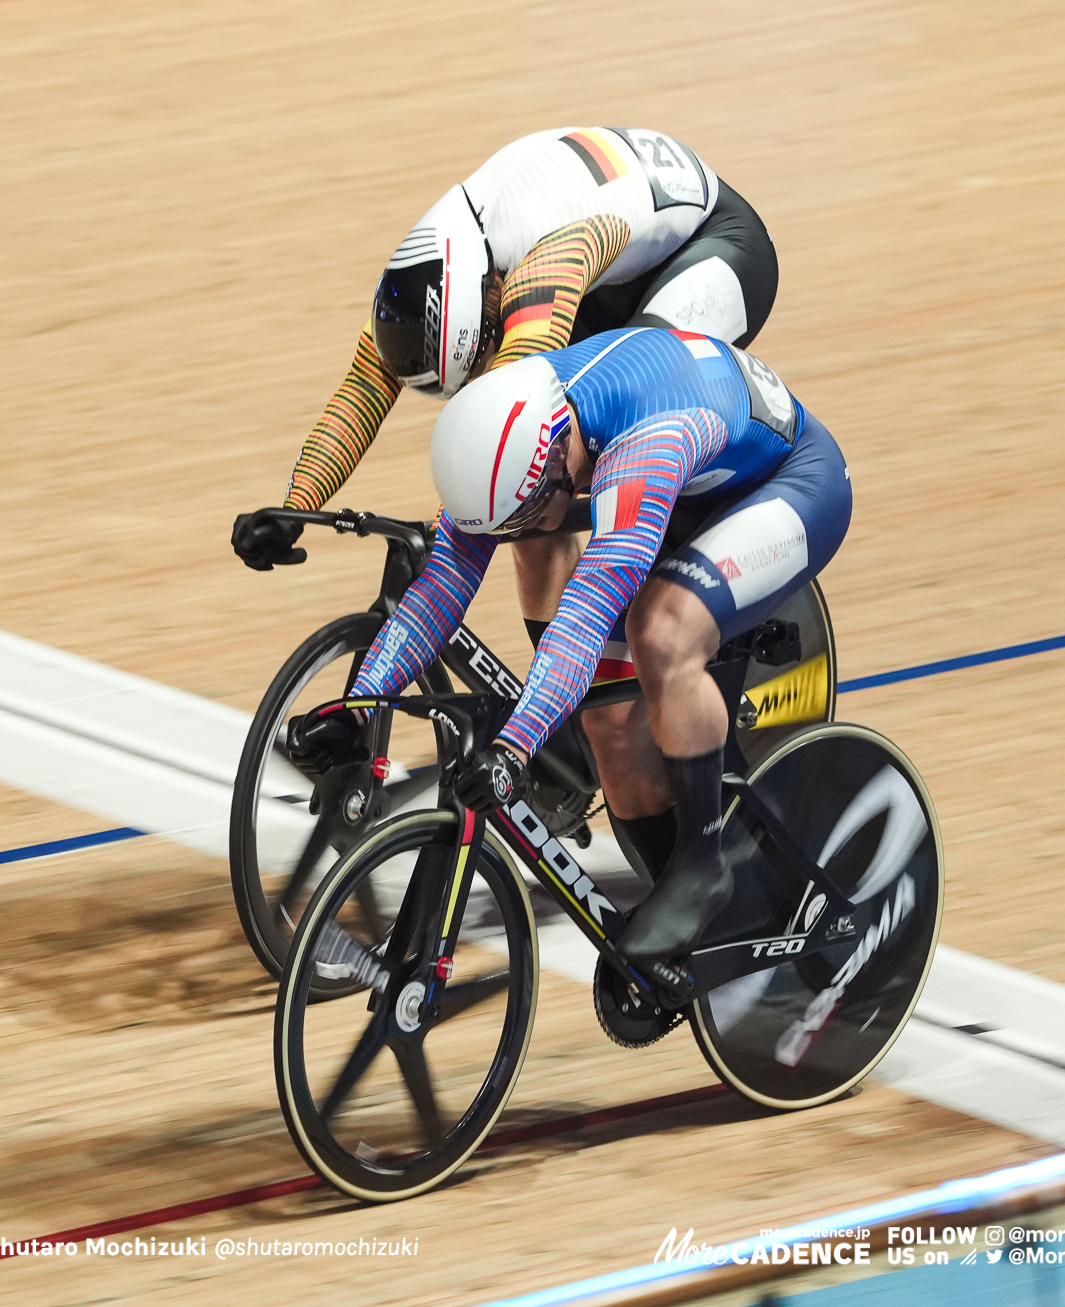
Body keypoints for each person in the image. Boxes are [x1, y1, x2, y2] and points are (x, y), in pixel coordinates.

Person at [286, 325, 849, 997]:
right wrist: (360, 707)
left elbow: (582, 618)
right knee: (610, 727)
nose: (518, 536)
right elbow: (439, 588)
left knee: (660, 629)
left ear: (558, 458)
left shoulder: (646, 443)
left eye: (523, 518)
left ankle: (704, 865)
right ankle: (706, 931)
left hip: (793, 484)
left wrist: (515, 749)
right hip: (695, 491)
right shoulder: (506, 438)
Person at [232, 126, 780, 651]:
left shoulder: (543, 263)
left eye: (478, 360)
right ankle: (572, 713)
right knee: (535, 510)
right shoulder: (423, 277)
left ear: (492, 298)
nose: (474, 378)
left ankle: (704, 603)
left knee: (617, 424)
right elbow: (360, 394)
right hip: (609, 273)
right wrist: (295, 506)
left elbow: (512, 423)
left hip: (712, 247)